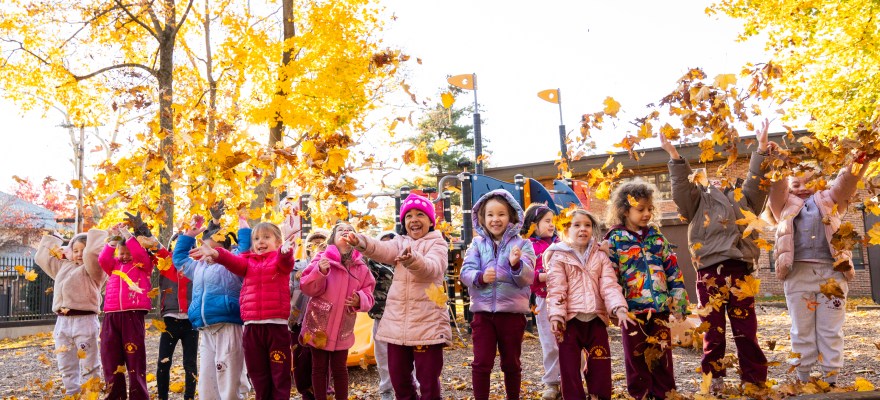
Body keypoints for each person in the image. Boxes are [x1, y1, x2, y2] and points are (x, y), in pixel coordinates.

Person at [659, 121, 775, 391]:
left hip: (740, 271)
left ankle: (754, 379)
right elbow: (681, 188)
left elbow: (757, 182)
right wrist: (674, 156)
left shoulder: (744, 199)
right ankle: (714, 378)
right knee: (713, 331)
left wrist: (761, 149)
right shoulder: (698, 201)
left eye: (725, 179)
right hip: (710, 271)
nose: (719, 181)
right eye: (713, 179)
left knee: (746, 330)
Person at [769, 149, 878, 385]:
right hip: (798, 276)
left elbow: (846, 182)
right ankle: (803, 377)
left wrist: (858, 162)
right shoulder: (782, 206)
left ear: (820, 182)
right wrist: (776, 163)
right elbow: (776, 187)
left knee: (830, 329)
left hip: (832, 274)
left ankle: (831, 378)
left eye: (809, 182)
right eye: (796, 184)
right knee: (802, 329)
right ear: (789, 188)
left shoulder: (831, 200)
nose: (802, 188)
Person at [344, 192, 451, 400]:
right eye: (408, 216)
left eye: (420, 214)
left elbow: (431, 268)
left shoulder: (437, 243)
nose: (414, 219)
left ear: (431, 221)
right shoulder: (399, 242)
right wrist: (360, 241)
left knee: (428, 381)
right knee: (399, 378)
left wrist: (412, 260)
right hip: (397, 323)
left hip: (427, 322)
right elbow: (381, 249)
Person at [192, 215, 299, 400]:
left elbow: (286, 262)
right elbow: (232, 261)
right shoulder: (248, 262)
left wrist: (286, 252)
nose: (260, 242)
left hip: (276, 327)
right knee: (258, 373)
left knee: (279, 373)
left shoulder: (279, 260)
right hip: (252, 328)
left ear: (278, 242)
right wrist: (216, 253)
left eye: (266, 237)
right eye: (256, 238)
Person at [604, 181, 689, 400]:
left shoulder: (657, 238)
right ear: (625, 210)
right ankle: (640, 394)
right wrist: (613, 307)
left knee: (662, 352)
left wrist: (679, 302)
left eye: (650, 209)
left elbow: (673, 269)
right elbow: (610, 277)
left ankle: (665, 393)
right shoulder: (615, 240)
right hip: (632, 311)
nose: (647, 214)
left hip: (660, 308)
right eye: (640, 209)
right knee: (636, 355)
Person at [545, 209, 632, 400]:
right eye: (576, 225)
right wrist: (556, 315)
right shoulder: (559, 257)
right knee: (569, 367)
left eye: (587, 225)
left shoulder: (600, 256)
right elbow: (557, 288)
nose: (583, 229)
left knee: (600, 363)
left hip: (596, 319)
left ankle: (599, 396)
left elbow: (609, 285)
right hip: (570, 321)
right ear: (566, 230)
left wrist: (619, 307)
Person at [460, 189, 536, 400]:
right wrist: (480, 276)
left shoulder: (523, 244)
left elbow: (528, 277)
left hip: (511, 315)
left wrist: (516, 264)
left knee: (511, 362)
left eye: (501, 214)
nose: (495, 219)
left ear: (511, 217)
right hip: (483, 314)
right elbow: (465, 273)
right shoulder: (477, 244)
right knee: (481, 362)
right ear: (482, 218)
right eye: (490, 214)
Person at [174, 210, 251, 400]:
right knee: (207, 383)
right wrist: (189, 235)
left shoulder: (233, 264)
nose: (208, 253)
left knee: (228, 380)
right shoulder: (197, 267)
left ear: (226, 250)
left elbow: (245, 250)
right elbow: (179, 259)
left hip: (228, 326)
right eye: (204, 249)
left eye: (213, 249)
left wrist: (243, 224)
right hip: (206, 329)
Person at [300, 222, 376, 400]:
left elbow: (369, 293)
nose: (346, 231)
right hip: (319, 325)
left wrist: (360, 299)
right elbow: (307, 287)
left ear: (356, 240)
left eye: (350, 230)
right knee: (319, 368)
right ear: (332, 239)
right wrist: (320, 271)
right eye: (340, 230)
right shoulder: (321, 259)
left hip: (343, 327)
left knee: (340, 368)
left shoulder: (361, 267)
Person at [34, 232, 105, 395]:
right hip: (62, 321)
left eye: (83, 250)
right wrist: (55, 239)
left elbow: (92, 254)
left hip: (85, 320)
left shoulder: (95, 269)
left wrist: (94, 237)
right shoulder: (63, 266)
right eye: (76, 250)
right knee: (65, 363)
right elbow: (42, 258)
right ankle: (72, 394)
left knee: (89, 363)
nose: (79, 254)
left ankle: (90, 395)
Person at [92, 222, 154, 399]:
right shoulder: (113, 266)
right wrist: (114, 238)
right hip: (111, 315)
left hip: (133, 315)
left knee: (135, 357)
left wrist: (127, 234)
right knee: (110, 356)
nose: (125, 256)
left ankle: (138, 396)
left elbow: (140, 254)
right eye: (122, 253)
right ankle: (115, 395)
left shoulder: (143, 265)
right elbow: (103, 259)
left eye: (128, 253)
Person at [521, 204, 561, 400]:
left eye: (553, 221)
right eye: (547, 221)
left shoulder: (561, 243)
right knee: (550, 343)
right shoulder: (528, 246)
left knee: (570, 341)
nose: (551, 225)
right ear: (533, 224)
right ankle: (552, 383)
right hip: (544, 299)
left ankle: (574, 379)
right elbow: (525, 274)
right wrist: (541, 276)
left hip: (565, 298)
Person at [365, 230, 405, 400]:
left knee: (406, 354)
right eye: (384, 242)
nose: (388, 245)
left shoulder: (404, 261)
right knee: (383, 355)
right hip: (381, 315)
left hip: (403, 315)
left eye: (392, 241)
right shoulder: (372, 264)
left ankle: (411, 386)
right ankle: (386, 389)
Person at [290, 228, 330, 400]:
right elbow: (289, 291)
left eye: (322, 243)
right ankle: (306, 393)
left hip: (323, 323)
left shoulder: (333, 267)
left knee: (321, 361)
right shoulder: (296, 267)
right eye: (314, 243)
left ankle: (323, 391)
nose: (318, 246)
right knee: (300, 360)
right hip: (298, 322)